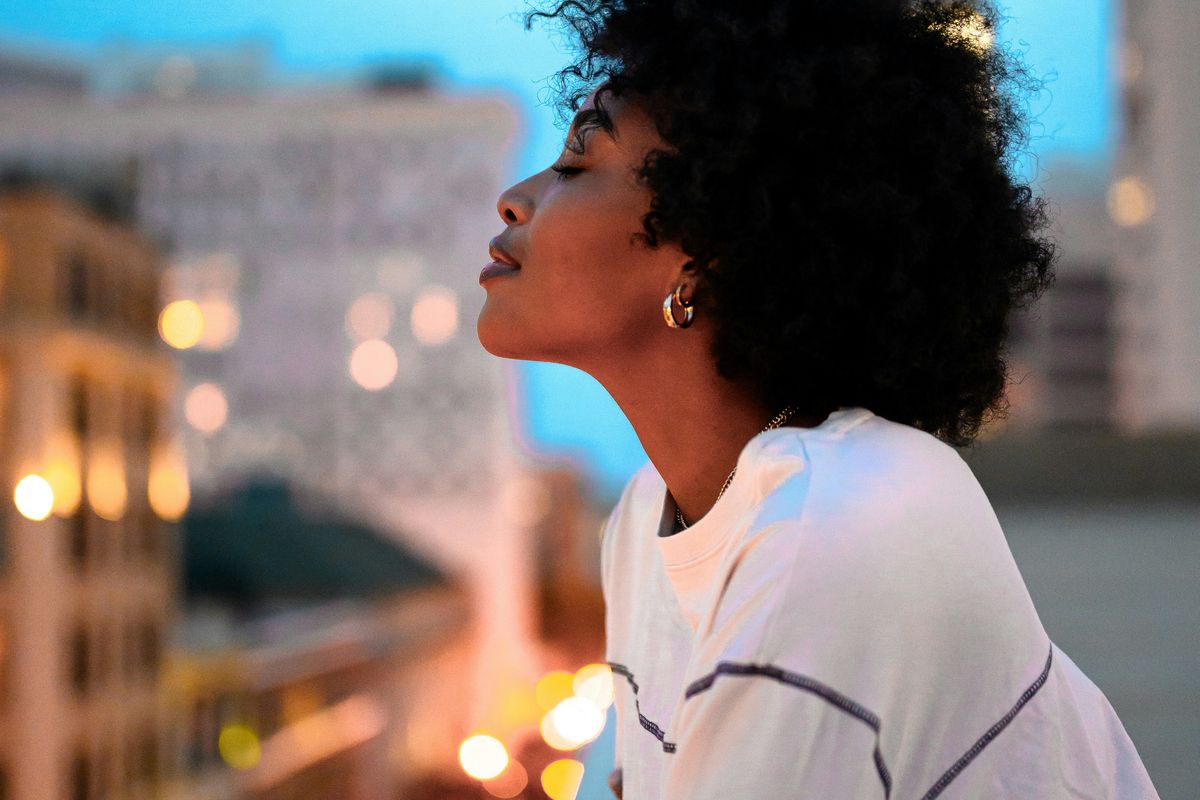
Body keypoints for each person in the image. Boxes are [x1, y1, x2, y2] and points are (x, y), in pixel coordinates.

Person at [476, 0, 1160, 797]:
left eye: (575, 165)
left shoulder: (835, 523)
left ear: (705, 251)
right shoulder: (646, 520)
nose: (516, 198)